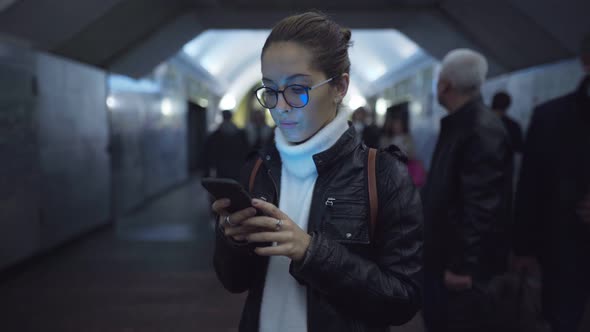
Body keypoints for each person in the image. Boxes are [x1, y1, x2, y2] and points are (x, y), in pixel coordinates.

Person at [211, 12, 423, 332]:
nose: (280, 106)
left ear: (340, 86)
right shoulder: (256, 170)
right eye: (270, 89)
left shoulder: (384, 176)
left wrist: (311, 253)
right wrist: (233, 239)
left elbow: (403, 299)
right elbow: (234, 282)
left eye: (297, 89)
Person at [420, 49, 513, 332]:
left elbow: (480, 207)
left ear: (445, 84)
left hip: (457, 271)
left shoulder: (477, 130)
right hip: (446, 259)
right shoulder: (465, 125)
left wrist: (463, 266)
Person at [511, 34, 590, 332]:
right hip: (563, 252)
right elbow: (531, 187)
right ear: (586, 61)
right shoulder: (551, 118)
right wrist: (523, 248)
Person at [202, 110, 249, 181]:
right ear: (231, 117)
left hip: (221, 170)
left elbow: (209, 154)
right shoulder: (240, 134)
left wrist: (208, 172)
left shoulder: (215, 135)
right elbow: (245, 152)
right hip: (237, 169)